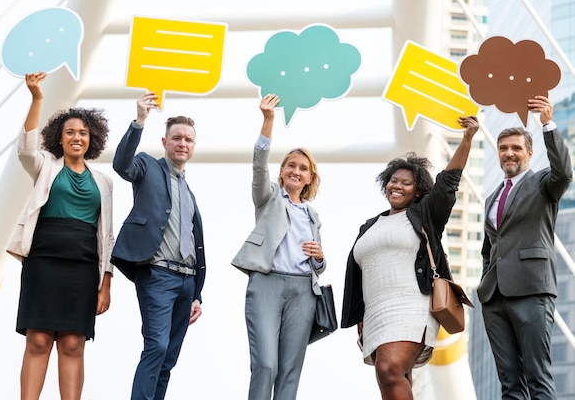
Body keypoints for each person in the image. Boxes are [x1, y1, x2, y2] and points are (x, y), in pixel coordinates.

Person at [341, 116, 479, 399]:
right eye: (393, 180)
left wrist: (467, 139)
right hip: (377, 311)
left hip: (412, 305)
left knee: (389, 370)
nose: (397, 186)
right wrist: (360, 313)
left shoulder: (424, 214)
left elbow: (448, 181)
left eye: (406, 182)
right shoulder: (369, 226)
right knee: (396, 379)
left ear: (417, 191)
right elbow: (362, 272)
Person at [6, 71, 114, 400]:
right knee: (38, 340)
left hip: (82, 269)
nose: (76, 137)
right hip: (43, 262)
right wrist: (37, 98)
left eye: (82, 133)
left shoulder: (104, 182)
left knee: (72, 343)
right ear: (60, 138)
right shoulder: (46, 167)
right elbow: (25, 149)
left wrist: (105, 282)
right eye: (70, 132)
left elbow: (107, 236)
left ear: (91, 138)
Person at [110, 91, 206, 400]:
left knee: (169, 358)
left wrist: (197, 295)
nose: (182, 143)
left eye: (188, 140)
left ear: (193, 147)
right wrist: (139, 121)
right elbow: (122, 164)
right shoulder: (147, 168)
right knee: (157, 346)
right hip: (158, 275)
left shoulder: (189, 192)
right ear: (165, 143)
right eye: (176, 137)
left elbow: (193, 241)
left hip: (187, 282)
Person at [232, 94, 326, 400]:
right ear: (283, 170)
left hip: (303, 291)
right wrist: (268, 120)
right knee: (266, 364)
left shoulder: (312, 215)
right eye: (290, 165)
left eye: (303, 168)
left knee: (290, 370)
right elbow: (260, 164)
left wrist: (320, 258)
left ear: (310, 177)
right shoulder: (269, 197)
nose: (296, 171)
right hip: (267, 284)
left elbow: (319, 265)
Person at [478, 96, 572, 400]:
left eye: (516, 148)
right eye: (504, 148)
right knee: (510, 385)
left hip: (532, 290)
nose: (509, 153)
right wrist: (484, 285)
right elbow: (489, 248)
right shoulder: (492, 197)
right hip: (495, 298)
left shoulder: (544, 184)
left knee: (538, 376)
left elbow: (564, 173)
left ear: (529, 154)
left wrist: (547, 124)